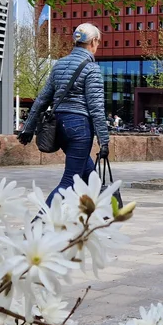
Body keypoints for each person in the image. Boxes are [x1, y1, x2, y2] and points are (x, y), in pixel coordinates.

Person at [18, 23, 109, 205]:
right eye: (98, 42)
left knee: (91, 179)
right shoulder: (92, 69)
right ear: (93, 42)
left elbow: (42, 100)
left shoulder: (59, 65)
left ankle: (102, 221)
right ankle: (41, 223)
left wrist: (27, 128)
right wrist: (104, 141)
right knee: (69, 181)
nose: (97, 47)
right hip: (80, 129)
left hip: (60, 126)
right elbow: (96, 108)